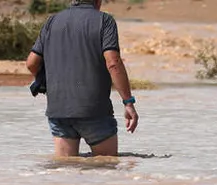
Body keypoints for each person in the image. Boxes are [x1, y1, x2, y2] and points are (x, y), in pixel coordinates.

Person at [25, 0, 139, 158]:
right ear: (98, 1)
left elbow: (31, 63)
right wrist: (128, 102)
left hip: (59, 110)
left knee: (66, 171)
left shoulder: (52, 21)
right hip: (94, 109)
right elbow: (113, 63)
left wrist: (44, 80)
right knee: (107, 168)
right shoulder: (104, 21)